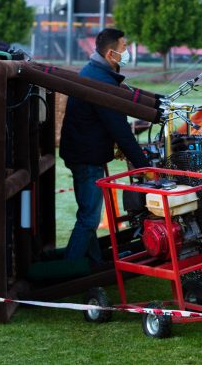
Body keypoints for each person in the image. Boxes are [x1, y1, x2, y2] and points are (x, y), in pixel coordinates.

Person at [60, 28, 150, 264]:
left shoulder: (95, 73)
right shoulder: (100, 82)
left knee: (87, 214)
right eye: (124, 48)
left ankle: (94, 263)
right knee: (89, 218)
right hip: (86, 157)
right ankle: (69, 269)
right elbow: (119, 128)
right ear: (111, 53)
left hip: (82, 153)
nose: (127, 52)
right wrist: (144, 166)